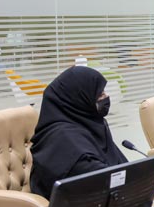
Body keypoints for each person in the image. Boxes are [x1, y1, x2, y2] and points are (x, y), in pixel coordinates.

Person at [30, 66, 127, 199]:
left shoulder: (91, 124)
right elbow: (97, 177)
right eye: (99, 94)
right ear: (79, 98)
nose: (106, 96)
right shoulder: (60, 138)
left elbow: (119, 168)